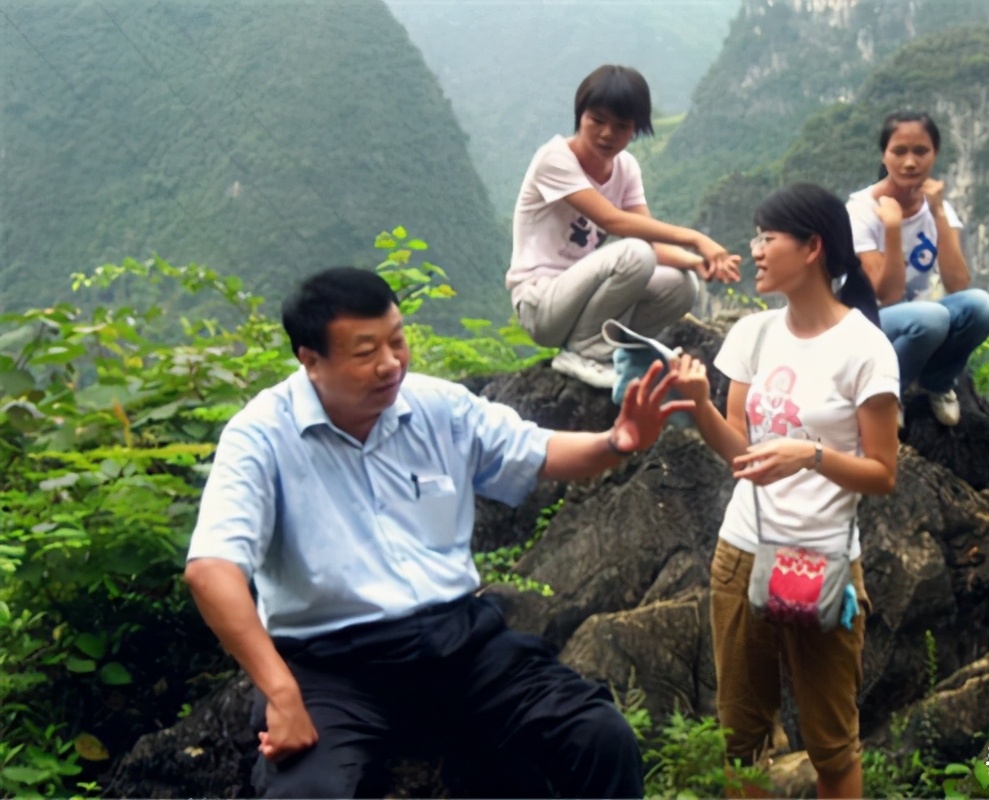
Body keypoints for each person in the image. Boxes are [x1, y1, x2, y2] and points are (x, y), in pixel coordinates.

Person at [184, 266, 693, 799]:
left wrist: (616, 441)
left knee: (597, 734)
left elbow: (535, 450)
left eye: (397, 341)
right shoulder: (261, 435)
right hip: (333, 663)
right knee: (304, 792)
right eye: (365, 353)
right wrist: (281, 690)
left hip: (461, 644)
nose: (390, 364)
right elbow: (210, 570)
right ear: (310, 360)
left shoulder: (437, 407)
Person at [673, 184, 899, 799]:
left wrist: (814, 455)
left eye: (767, 238)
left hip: (823, 560)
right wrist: (699, 407)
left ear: (813, 248)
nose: (756, 251)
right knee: (741, 738)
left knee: (831, 744)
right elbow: (741, 455)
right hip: (744, 550)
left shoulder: (865, 349)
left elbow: (883, 472)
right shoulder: (753, 334)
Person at [506, 64, 741, 390]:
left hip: (583, 301)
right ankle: (585, 352)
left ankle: (612, 348)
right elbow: (614, 222)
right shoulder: (555, 158)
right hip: (541, 303)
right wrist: (697, 239)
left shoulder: (625, 168)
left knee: (682, 285)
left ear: (636, 129)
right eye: (597, 121)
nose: (606, 134)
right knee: (635, 253)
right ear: (580, 115)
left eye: (621, 126)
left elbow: (652, 241)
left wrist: (697, 262)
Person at [845, 110, 989, 426]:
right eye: (899, 151)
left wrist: (939, 212)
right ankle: (886, 396)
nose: (910, 162)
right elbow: (886, 296)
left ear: (935, 155)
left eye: (921, 151)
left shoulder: (938, 208)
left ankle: (937, 383)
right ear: (884, 155)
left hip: (915, 318)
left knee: (982, 307)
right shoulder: (861, 211)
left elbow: (958, 283)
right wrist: (891, 227)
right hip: (863, 322)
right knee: (932, 317)